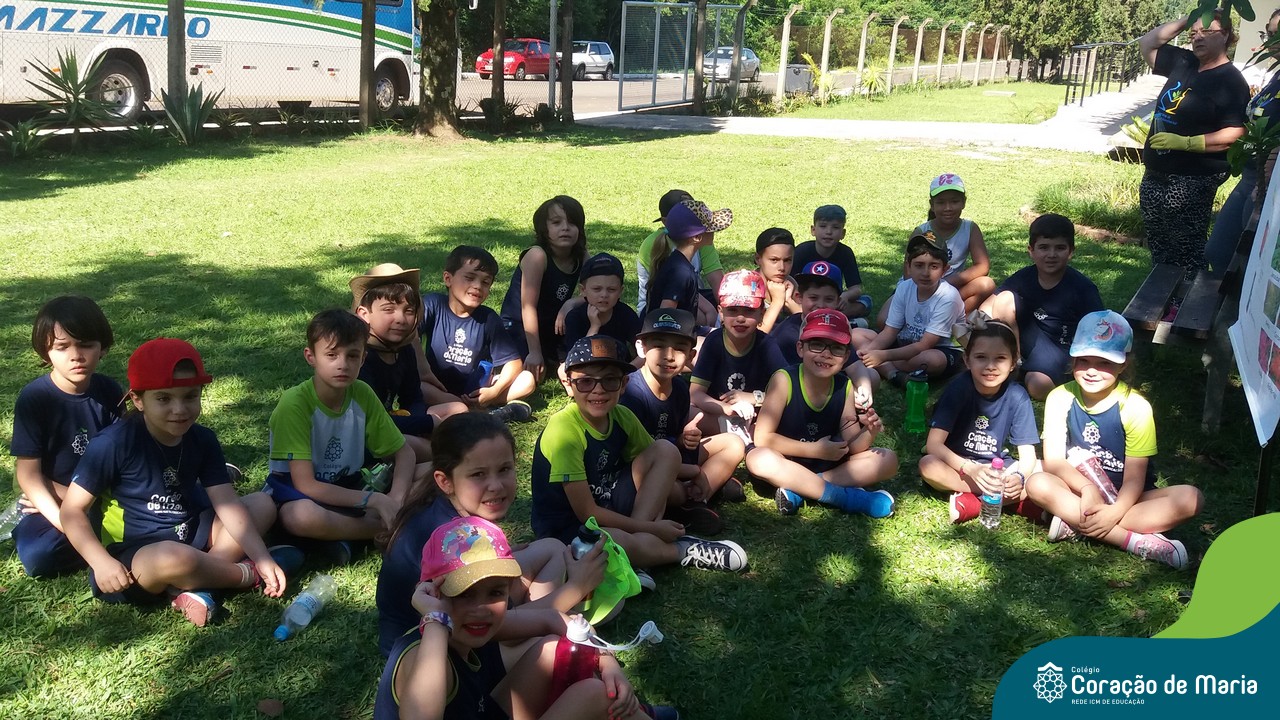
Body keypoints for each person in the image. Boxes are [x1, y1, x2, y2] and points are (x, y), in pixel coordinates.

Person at [59, 339, 290, 626]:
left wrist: (262, 555)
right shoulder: (112, 444)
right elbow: (72, 511)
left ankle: (199, 582)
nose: (179, 409)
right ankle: (243, 575)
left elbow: (227, 503)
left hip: (192, 532)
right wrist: (100, 562)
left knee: (262, 503)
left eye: (190, 396)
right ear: (138, 400)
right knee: (175, 558)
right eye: (164, 399)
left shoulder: (203, 439)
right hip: (137, 555)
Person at [375, 516, 676, 720]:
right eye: (463, 594)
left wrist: (608, 662)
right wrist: (435, 619)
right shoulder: (425, 651)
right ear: (432, 593)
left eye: (495, 592)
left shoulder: (471, 622)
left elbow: (555, 620)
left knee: (553, 649)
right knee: (596, 696)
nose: (481, 607)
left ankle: (632, 711)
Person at [376, 412, 598, 657]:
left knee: (552, 548)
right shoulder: (452, 537)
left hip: (458, 617)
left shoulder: (447, 507)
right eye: (478, 474)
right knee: (556, 646)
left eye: (504, 469)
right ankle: (539, 616)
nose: (496, 485)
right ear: (445, 481)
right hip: (434, 649)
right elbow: (495, 626)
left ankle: (535, 610)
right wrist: (576, 588)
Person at [530, 335, 749, 574]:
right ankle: (680, 550)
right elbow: (586, 513)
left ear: (624, 384)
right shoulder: (564, 431)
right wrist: (650, 528)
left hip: (611, 502)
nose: (598, 390)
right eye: (585, 382)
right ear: (569, 384)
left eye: (610, 380)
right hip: (569, 527)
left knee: (665, 450)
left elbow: (661, 461)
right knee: (604, 542)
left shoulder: (622, 416)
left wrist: (695, 471)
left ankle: (641, 548)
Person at [1025, 311, 1204, 569]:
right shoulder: (1059, 397)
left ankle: (1075, 522)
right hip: (1079, 491)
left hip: (1130, 499)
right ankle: (1132, 541)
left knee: (1192, 498)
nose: (1092, 371)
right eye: (1083, 360)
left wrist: (1115, 512)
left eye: (1104, 363)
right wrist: (1088, 489)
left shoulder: (1136, 407)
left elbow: (1134, 479)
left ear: (1123, 364)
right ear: (1072, 359)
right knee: (1037, 483)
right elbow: (1054, 461)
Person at [264, 309, 418, 558]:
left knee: (431, 473)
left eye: (352, 355)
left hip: (350, 484)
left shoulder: (362, 393)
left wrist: (396, 499)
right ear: (311, 356)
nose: (343, 364)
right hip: (300, 494)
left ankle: (350, 533)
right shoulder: (294, 403)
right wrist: (375, 500)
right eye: (331, 355)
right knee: (299, 517)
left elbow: (405, 453)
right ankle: (387, 529)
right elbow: (306, 484)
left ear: (363, 358)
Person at [746, 309, 898, 517]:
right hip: (786, 460)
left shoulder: (845, 386)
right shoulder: (784, 380)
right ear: (800, 348)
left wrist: (869, 431)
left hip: (826, 465)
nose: (826, 354)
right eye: (817, 344)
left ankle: (800, 490)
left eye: (836, 348)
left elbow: (852, 446)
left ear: (846, 357)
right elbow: (763, 438)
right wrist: (815, 450)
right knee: (758, 459)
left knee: (888, 459)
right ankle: (846, 498)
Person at [10, 296, 122, 578]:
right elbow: (28, 475)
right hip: (53, 499)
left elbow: (123, 460)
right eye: (62, 346)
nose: (76, 355)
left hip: (100, 498)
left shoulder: (110, 392)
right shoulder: (35, 399)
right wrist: (68, 524)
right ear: (46, 351)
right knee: (39, 556)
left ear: (102, 347)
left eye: (86, 344)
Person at [1138, 10, 1250, 276]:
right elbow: (1147, 43)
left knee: (1186, 244)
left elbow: (1237, 132)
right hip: (1157, 170)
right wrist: (1191, 19)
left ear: (1225, 35)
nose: (1197, 37)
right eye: (1193, 32)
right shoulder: (1184, 62)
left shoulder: (1231, 81)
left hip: (1194, 176)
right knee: (1159, 241)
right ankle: (1161, 291)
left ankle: (1189, 293)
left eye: (1206, 31)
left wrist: (1186, 142)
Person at [917, 317, 1045, 524]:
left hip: (999, 468)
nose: (990, 366)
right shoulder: (958, 389)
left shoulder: (1017, 395)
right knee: (928, 465)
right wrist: (971, 469)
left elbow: (1027, 455)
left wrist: (1019, 477)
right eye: (981, 357)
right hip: (960, 465)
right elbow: (933, 444)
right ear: (967, 360)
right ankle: (1010, 501)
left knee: (1045, 469)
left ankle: (974, 504)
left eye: (1000, 358)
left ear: (1013, 362)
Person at [620, 308, 747, 510]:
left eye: (679, 348)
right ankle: (695, 493)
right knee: (673, 490)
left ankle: (697, 500)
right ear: (641, 348)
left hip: (673, 462)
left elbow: (673, 438)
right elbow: (633, 461)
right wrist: (693, 471)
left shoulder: (679, 388)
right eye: (659, 345)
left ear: (691, 355)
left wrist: (683, 439)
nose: (669, 356)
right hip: (639, 470)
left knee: (734, 443)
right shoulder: (630, 393)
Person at [978, 214, 1104, 400]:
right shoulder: (1024, 277)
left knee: (1038, 386)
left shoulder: (1083, 288)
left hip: (1060, 347)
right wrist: (979, 327)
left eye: (1060, 248)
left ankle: (1019, 373)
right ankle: (1011, 361)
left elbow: (1099, 329)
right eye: (1044, 247)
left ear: (1071, 251)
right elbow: (987, 306)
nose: (1051, 255)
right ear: (1031, 250)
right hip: (1026, 340)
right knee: (1003, 299)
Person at [353, 263, 468, 463]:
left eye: (408, 310)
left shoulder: (403, 349)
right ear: (364, 314)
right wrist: (427, 424)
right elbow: (372, 422)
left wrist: (417, 420)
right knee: (417, 445)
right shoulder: (359, 359)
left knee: (459, 410)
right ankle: (446, 456)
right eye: (389, 310)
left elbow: (413, 396)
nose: (400, 318)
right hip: (365, 434)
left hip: (393, 421)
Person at [420, 246, 536, 424]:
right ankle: (483, 414)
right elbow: (409, 338)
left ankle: (471, 409)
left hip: (475, 391)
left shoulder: (488, 318)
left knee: (527, 380)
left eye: (485, 282)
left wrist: (494, 392)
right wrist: (425, 372)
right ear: (448, 278)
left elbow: (514, 363)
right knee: (418, 385)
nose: (477, 286)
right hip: (437, 389)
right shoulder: (433, 305)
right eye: (469, 277)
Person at [1205, 8, 1280, 272]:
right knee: (1218, 252)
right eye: (1269, 33)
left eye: (1278, 34)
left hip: (1268, 182)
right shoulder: (1276, 76)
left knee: (1251, 262)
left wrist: (1267, 178)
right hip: (1249, 176)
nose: (1271, 40)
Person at [852, 232, 966, 385]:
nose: (925, 273)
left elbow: (925, 345)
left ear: (945, 270)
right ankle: (894, 375)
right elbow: (890, 331)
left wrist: (883, 356)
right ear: (909, 267)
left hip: (937, 350)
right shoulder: (905, 287)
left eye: (934, 266)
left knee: (932, 361)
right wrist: (869, 351)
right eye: (919, 265)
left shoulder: (948, 297)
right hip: (904, 344)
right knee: (856, 335)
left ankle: (884, 366)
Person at [689, 270, 787, 442]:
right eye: (732, 310)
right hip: (719, 413)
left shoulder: (766, 345)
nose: (740, 318)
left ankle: (745, 436)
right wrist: (726, 408)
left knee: (780, 418)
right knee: (688, 412)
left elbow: (788, 391)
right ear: (721, 312)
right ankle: (740, 435)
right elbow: (696, 394)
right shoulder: (714, 342)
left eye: (749, 311)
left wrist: (754, 397)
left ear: (761, 314)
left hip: (756, 416)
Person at [501, 196, 588, 383]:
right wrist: (534, 352)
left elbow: (593, 292)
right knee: (527, 374)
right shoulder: (537, 256)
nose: (565, 228)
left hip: (551, 326)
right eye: (556, 223)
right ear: (544, 229)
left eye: (572, 223)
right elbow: (528, 307)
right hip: (519, 326)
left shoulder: (581, 256)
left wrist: (570, 303)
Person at [644, 199, 733, 328]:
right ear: (697, 237)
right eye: (710, 228)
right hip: (669, 338)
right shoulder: (681, 273)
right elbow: (664, 316)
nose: (713, 232)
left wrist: (709, 310)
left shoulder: (679, 264)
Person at [914, 174, 996, 313]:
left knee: (986, 284)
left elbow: (982, 265)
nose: (948, 208)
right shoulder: (921, 231)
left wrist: (947, 283)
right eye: (941, 202)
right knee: (883, 320)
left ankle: (957, 318)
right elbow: (909, 270)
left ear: (963, 202)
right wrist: (925, 287)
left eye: (954, 201)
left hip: (953, 286)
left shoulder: (970, 228)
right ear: (932, 205)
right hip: (922, 287)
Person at [559, 252, 640, 374]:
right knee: (562, 371)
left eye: (611, 289)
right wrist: (594, 327)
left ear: (620, 291)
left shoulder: (626, 314)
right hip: (585, 370)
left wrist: (626, 372)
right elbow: (576, 358)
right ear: (583, 290)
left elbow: (645, 351)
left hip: (619, 368)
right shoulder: (575, 317)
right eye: (597, 289)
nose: (604, 295)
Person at [793, 204, 872, 321]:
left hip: (832, 300)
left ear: (843, 233)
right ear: (813, 230)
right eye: (823, 226)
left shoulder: (845, 253)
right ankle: (838, 319)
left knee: (866, 301)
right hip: (808, 300)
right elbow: (791, 283)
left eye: (835, 227)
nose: (829, 232)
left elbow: (856, 288)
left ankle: (822, 317)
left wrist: (845, 296)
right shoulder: (802, 251)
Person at [753, 227, 801, 332]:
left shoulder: (791, 284)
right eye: (774, 260)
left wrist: (789, 301)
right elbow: (754, 335)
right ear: (758, 259)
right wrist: (777, 302)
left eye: (787, 260)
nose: (782, 268)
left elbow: (810, 325)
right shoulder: (748, 286)